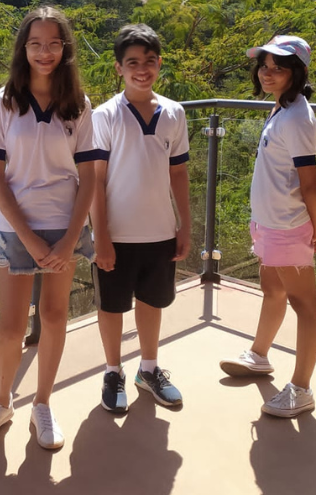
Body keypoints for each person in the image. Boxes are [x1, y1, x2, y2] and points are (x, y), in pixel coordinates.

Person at [0, 6, 100, 451]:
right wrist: (27, 236)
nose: (45, 52)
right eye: (36, 43)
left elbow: (89, 177)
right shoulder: (1, 103)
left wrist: (70, 237)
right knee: (11, 324)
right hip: (16, 228)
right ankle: (1, 403)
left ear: (65, 49)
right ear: (23, 48)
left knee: (55, 316)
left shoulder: (78, 104)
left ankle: (43, 403)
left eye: (54, 43)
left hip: (64, 225)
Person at [219, 35, 316, 419]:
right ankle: (260, 355)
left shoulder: (297, 117)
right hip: (269, 222)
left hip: (287, 226)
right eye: (264, 66)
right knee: (273, 291)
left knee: (305, 304)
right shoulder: (282, 107)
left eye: (278, 67)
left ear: (296, 72)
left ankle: (302, 387)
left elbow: (310, 181)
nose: (268, 73)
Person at [89, 24, 192, 413]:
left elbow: (178, 172)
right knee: (111, 306)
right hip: (115, 234)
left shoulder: (174, 113)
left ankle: (148, 369)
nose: (142, 69)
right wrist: (101, 236)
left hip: (160, 231)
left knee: (152, 302)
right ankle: (112, 371)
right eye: (132, 62)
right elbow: (95, 180)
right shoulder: (104, 116)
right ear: (118, 68)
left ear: (159, 64)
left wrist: (184, 224)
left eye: (149, 61)